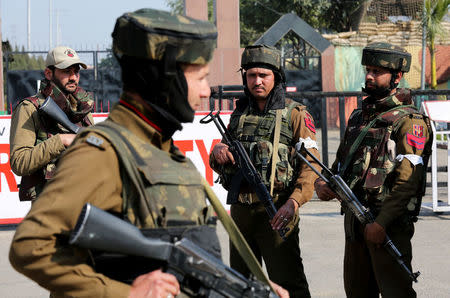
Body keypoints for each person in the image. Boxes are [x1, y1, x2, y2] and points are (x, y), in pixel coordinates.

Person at [9, 9, 288, 298]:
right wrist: (122, 293)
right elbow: (31, 246)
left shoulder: (165, 153)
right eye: (200, 77)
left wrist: (249, 291)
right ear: (165, 79)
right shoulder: (104, 152)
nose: (206, 91)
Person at [315, 42, 432, 298]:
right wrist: (326, 186)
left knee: (395, 292)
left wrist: (380, 223)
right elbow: (341, 167)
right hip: (355, 224)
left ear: (397, 77)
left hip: (387, 225)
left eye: (377, 71)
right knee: (357, 292)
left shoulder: (409, 122)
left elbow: (407, 183)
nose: (369, 76)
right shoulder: (359, 117)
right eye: (368, 69)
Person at [209, 44, 320, 297]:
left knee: (289, 283)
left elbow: (310, 165)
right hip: (240, 211)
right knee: (241, 284)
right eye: (251, 75)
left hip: (277, 209)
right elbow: (221, 155)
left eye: (264, 75)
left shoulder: (295, 114)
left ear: (276, 76)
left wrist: (294, 202)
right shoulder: (240, 114)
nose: (257, 81)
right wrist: (217, 152)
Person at [9, 46, 94, 202]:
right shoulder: (30, 108)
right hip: (50, 207)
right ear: (48, 73)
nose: (73, 77)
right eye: (66, 71)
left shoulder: (83, 109)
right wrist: (62, 140)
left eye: (76, 72)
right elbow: (19, 162)